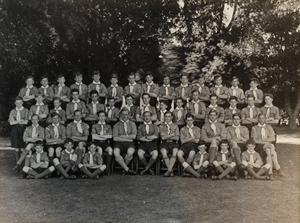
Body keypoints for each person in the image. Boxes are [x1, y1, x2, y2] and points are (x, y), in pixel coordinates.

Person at [113, 108, 137, 175]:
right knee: (116, 154)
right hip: (118, 143)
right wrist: (128, 138)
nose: (124, 116)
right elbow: (115, 138)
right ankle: (127, 169)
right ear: (120, 115)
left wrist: (121, 136)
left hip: (130, 143)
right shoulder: (116, 125)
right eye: (123, 114)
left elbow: (134, 136)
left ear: (129, 115)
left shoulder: (132, 124)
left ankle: (124, 169)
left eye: (126, 114)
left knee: (130, 153)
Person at [137, 111, 159, 175]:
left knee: (155, 154)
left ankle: (145, 170)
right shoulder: (140, 126)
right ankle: (149, 169)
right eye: (145, 116)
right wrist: (149, 138)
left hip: (152, 144)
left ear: (151, 117)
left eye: (148, 116)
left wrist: (145, 137)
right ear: (143, 117)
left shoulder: (154, 126)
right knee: (140, 153)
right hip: (143, 144)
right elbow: (139, 137)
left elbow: (156, 136)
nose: (147, 117)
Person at [91, 111, 113, 175]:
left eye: (103, 116)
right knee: (100, 150)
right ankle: (100, 169)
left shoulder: (108, 126)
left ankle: (107, 169)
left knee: (110, 150)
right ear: (98, 117)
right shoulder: (94, 125)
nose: (102, 117)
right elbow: (94, 136)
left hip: (105, 143)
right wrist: (104, 136)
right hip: (97, 143)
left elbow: (110, 136)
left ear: (105, 117)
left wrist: (100, 136)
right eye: (100, 116)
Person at [8, 97, 29, 163]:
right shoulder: (13, 111)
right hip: (15, 130)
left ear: (22, 102)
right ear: (15, 103)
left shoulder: (26, 110)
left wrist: (16, 121)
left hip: (23, 130)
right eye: (17, 103)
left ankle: (22, 163)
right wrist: (20, 120)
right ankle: (17, 164)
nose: (18, 104)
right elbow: (11, 123)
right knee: (16, 148)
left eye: (20, 103)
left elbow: (26, 122)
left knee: (23, 148)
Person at [159, 111, 180, 177]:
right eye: (166, 116)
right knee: (164, 155)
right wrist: (172, 134)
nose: (167, 118)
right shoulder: (161, 126)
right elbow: (163, 138)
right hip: (164, 144)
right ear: (164, 117)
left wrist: (167, 136)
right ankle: (171, 171)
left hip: (174, 143)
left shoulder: (175, 125)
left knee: (174, 155)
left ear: (171, 117)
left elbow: (177, 138)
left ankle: (169, 170)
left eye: (169, 116)